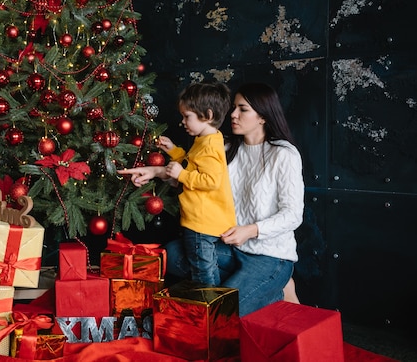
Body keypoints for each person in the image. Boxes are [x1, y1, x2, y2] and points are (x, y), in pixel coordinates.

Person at [119, 82, 304, 316]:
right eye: (234, 108)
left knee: (219, 313)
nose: (233, 115)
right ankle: (266, 290)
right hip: (230, 248)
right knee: (173, 254)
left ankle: (274, 287)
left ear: (263, 116)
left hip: (269, 256)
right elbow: (193, 178)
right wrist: (153, 172)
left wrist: (251, 230)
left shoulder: (283, 154)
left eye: (243, 109)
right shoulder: (225, 148)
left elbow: (293, 214)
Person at [123, 82, 236, 285]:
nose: (183, 122)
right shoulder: (207, 139)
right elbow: (193, 163)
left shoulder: (210, 146)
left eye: (187, 117)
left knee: (203, 273)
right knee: (202, 266)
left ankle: (207, 306)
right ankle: (210, 304)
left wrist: (182, 175)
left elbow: (211, 180)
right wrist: (174, 151)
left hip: (202, 223)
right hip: (202, 221)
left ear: (208, 115)